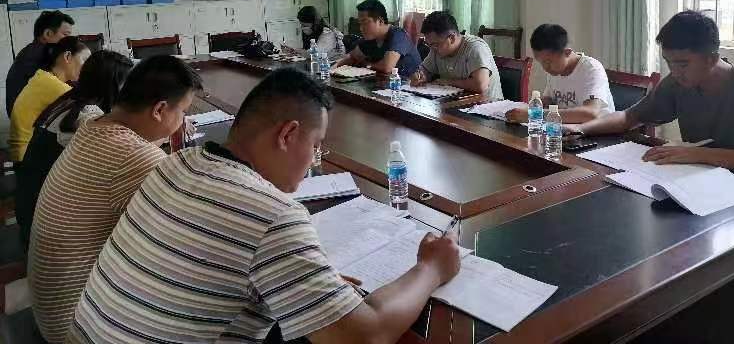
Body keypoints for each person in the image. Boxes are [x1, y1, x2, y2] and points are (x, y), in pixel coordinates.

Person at [67, 68, 460, 344]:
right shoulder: (272, 215)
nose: (314, 158)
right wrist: (432, 268)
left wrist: (309, 281)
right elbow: (364, 335)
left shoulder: (177, 164)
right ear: (287, 135)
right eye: (316, 145)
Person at [29, 55, 202, 344]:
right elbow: (189, 236)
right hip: (78, 326)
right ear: (159, 109)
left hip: (51, 308)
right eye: (183, 111)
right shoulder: (136, 156)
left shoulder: (92, 125)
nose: (183, 121)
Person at [565, 10, 734, 179]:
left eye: (683, 64)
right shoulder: (678, 83)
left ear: (711, 59)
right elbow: (629, 117)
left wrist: (700, 154)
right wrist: (581, 129)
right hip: (700, 182)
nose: (674, 71)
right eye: (669, 62)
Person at [15, 50, 134, 249]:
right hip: (47, 229)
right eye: (127, 85)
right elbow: (122, 157)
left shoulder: (71, 100)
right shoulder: (86, 118)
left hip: (34, 210)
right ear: (110, 85)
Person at [505, 24, 615, 124]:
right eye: (541, 62)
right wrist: (531, 108)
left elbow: (590, 114)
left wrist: (534, 115)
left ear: (567, 52)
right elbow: (548, 100)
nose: (545, 68)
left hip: (598, 134)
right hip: (565, 130)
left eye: (548, 62)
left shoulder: (591, 69)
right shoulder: (555, 70)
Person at [8, 37, 90, 162]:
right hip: (26, 157)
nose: (87, 68)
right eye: (85, 60)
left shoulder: (43, 76)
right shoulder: (54, 87)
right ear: (67, 56)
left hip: (21, 152)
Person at [410, 11, 503, 99]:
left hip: (486, 105)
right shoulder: (436, 49)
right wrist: (420, 76)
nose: (432, 48)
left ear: (452, 38)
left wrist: (448, 82)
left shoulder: (475, 48)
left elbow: (480, 85)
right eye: (428, 44)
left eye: (435, 44)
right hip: (455, 102)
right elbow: (425, 69)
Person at [6, 10, 74, 115]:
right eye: (65, 35)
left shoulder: (31, 50)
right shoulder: (41, 54)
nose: (69, 40)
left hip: (21, 114)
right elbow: (61, 85)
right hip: (30, 117)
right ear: (47, 34)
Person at [332, 0, 421, 77]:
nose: (361, 28)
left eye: (365, 23)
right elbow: (352, 56)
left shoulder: (398, 35)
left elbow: (387, 67)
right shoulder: (370, 39)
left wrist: (366, 64)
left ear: (380, 21)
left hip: (409, 86)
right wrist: (332, 69)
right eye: (360, 24)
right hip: (385, 84)